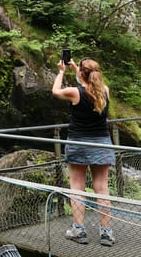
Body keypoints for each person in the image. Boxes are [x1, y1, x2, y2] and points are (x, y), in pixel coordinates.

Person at [51, 57, 116, 246]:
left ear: (83, 74)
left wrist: (62, 71)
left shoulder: (74, 92)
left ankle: (79, 231)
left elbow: (55, 91)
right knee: (102, 188)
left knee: (77, 187)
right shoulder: (105, 91)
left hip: (79, 143)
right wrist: (75, 68)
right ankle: (106, 233)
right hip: (102, 144)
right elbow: (90, 84)